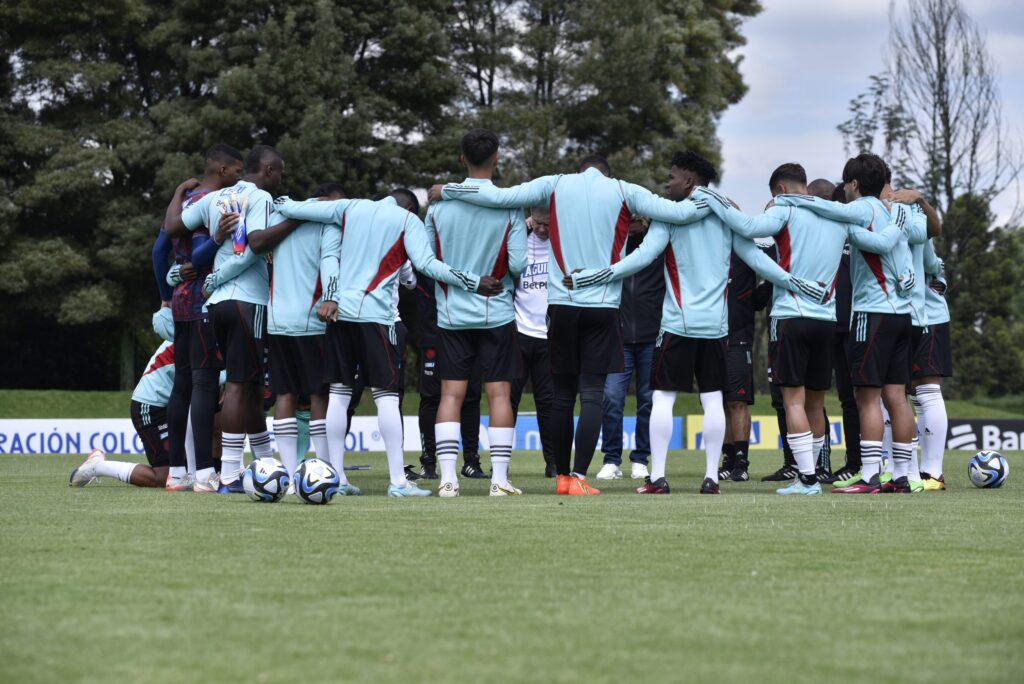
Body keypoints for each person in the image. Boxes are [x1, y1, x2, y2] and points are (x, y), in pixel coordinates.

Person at [431, 153, 718, 496]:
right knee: (593, 394)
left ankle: (562, 476)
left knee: (562, 396)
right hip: (603, 306)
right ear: (605, 173)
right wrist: (714, 198)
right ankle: (579, 477)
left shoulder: (555, 184)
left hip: (561, 305)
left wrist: (447, 190)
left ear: (579, 171)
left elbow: (499, 196)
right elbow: (681, 212)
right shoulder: (624, 190)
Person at [568, 152, 831, 495]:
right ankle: (710, 478)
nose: (668, 182)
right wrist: (798, 283)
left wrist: (597, 276)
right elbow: (756, 261)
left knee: (663, 398)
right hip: (717, 328)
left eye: (673, 176)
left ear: (690, 181)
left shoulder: (671, 216)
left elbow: (642, 258)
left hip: (677, 324)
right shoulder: (725, 217)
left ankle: (658, 478)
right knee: (712, 400)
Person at [695, 163, 912, 494]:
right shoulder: (839, 216)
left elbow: (747, 226)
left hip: (791, 315)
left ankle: (807, 479)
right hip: (827, 321)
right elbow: (883, 243)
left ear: (780, 190)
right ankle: (827, 472)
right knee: (815, 403)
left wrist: (712, 197)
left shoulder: (785, 210)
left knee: (793, 402)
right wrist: (899, 223)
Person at [275, 188, 495, 497]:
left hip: (341, 315)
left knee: (338, 394)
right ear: (410, 208)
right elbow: (427, 266)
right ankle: (398, 481)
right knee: (387, 396)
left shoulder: (350, 206)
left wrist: (282, 201)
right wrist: (471, 281)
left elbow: (301, 209)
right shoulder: (407, 220)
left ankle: (336, 478)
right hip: (377, 318)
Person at [773, 153, 927, 494]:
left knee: (867, 399)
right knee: (897, 397)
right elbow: (922, 232)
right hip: (904, 315)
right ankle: (905, 476)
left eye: (845, 184)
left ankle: (870, 475)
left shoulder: (862, 208)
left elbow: (832, 211)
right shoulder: (899, 210)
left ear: (854, 184)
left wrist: (795, 200)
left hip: (872, 313)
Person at [164, 145, 283, 493]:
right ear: (269, 171)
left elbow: (171, 227)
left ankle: (264, 461)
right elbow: (253, 247)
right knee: (238, 387)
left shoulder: (212, 199)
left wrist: (177, 195)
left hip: (215, 306)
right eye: (281, 171)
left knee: (247, 387)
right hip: (247, 300)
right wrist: (222, 275)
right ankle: (230, 473)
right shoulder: (259, 199)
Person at [417, 129, 528, 497]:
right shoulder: (509, 204)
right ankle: (498, 481)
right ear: (497, 158)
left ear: (462, 158)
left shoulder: (439, 206)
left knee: (451, 394)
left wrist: (463, 281)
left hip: (451, 314)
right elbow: (518, 263)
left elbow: (427, 262)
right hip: (496, 312)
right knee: (499, 394)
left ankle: (448, 480)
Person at [219, 181, 347, 489]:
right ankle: (325, 473)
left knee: (284, 395)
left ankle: (289, 476)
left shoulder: (275, 219)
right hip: (313, 319)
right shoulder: (327, 224)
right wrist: (331, 297)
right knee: (318, 395)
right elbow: (331, 265)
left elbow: (247, 251)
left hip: (276, 321)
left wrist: (216, 278)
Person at [155, 143, 242, 492]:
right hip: (203, 300)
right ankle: (205, 473)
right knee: (204, 385)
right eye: (236, 170)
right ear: (221, 170)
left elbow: (159, 250)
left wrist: (165, 293)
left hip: (179, 302)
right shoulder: (211, 203)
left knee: (183, 385)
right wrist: (218, 238)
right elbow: (203, 254)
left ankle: (177, 472)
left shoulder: (183, 203)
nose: (238, 177)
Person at [595, 214, 661, 482]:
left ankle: (640, 459)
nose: (632, 227)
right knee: (611, 397)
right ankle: (612, 459)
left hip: (651, 335)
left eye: (637, 221)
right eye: (628, 221)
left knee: (648, 401)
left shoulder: (658, 244)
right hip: (618, 337)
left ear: (645, 221)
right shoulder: (611, 245)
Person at [410, 274, 486, 481]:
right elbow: (410, 277)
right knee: (431, 396)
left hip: (469, 329)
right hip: (433, 330)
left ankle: (471, 461)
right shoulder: (426, 250)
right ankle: (429, 462)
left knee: (471, 395)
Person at [510, 205, 558, 477]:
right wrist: (524, 227)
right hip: (519, 333)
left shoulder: (563, 245)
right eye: (538, 223)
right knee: (509, 399)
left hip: (549, 337)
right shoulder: (521, 240)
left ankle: (553, 463)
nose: (542, 229)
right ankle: (501, 464)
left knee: (548, 403)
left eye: (547, 225)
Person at [916, 240, 952, 489]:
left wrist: (937, 268)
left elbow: (931, 262)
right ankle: (920, 470)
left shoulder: (914, 217)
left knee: (928, 389)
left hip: (929, 317)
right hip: (903, 315)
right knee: (911, 394)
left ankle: (933, 473)